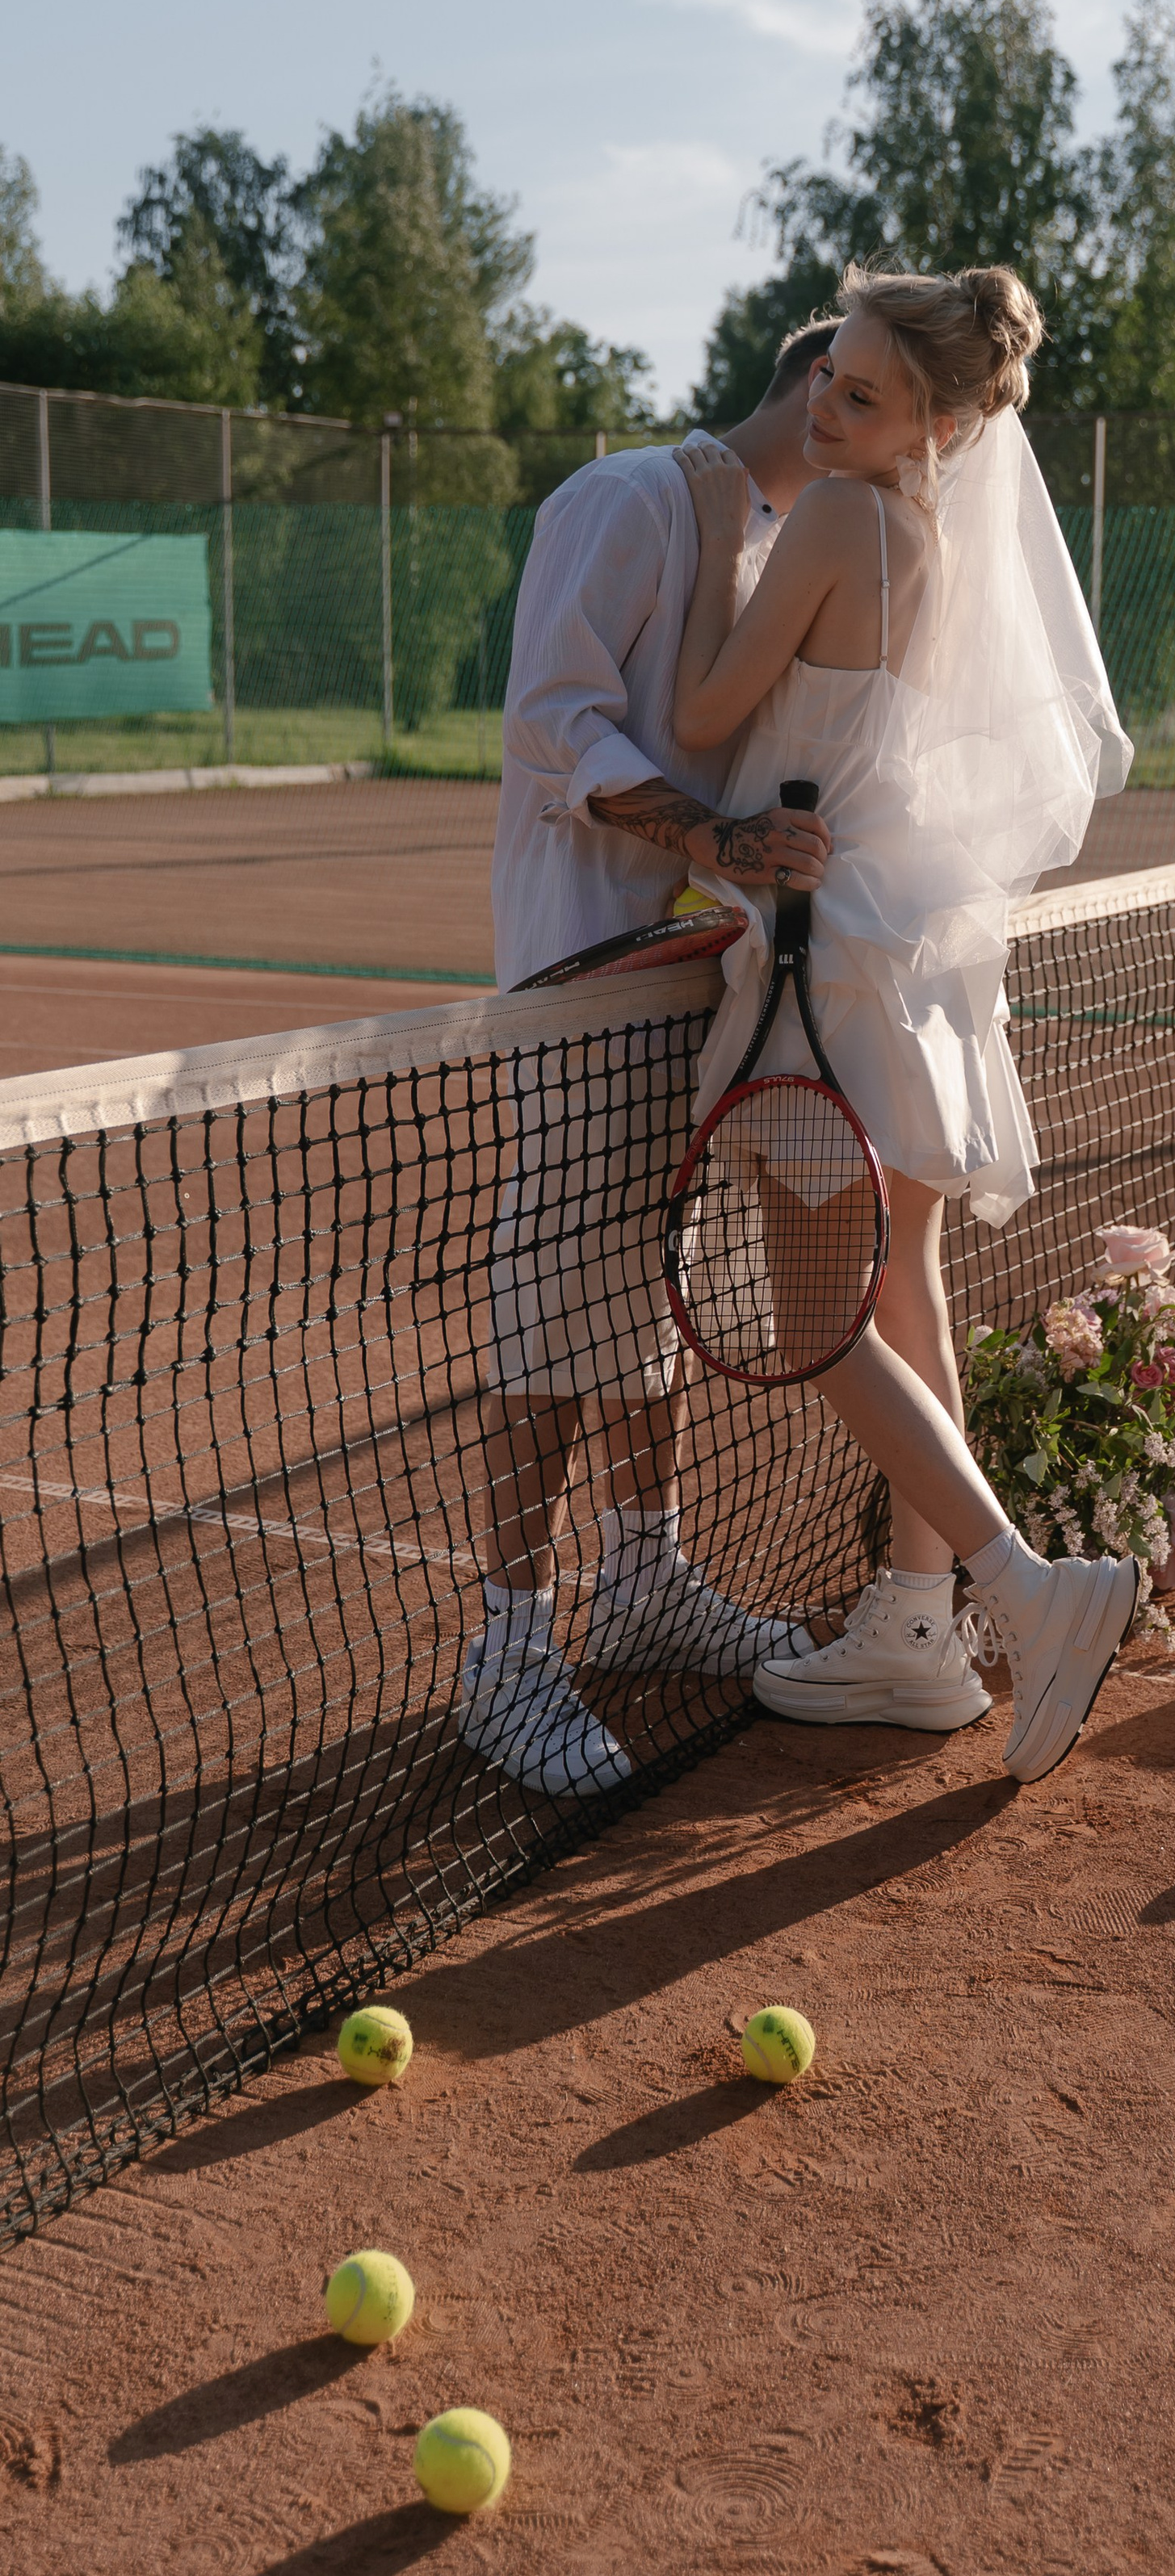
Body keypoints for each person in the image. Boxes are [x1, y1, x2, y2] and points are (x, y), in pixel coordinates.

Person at [666, 263, 1139, 1784]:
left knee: (823, 1316)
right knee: (907, 1279)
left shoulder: (826, 517)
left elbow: (696, 719)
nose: (824, 404)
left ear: (933, 422)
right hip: (905, 945)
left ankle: (1021, 1588)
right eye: (826, 378)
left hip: (829, 955)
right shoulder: (930, 534)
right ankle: (916, 1629)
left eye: (861, 395)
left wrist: (706, 556)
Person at [460, 325, 841, 1798]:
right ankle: (506, 1649)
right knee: (551, 1318)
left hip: (697, 986)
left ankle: (646, 1578)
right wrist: (716, 840)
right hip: (579, 984)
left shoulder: (777, 542)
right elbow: (555, 726)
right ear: (823, 388)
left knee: (652, 1302)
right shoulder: (621, 500)